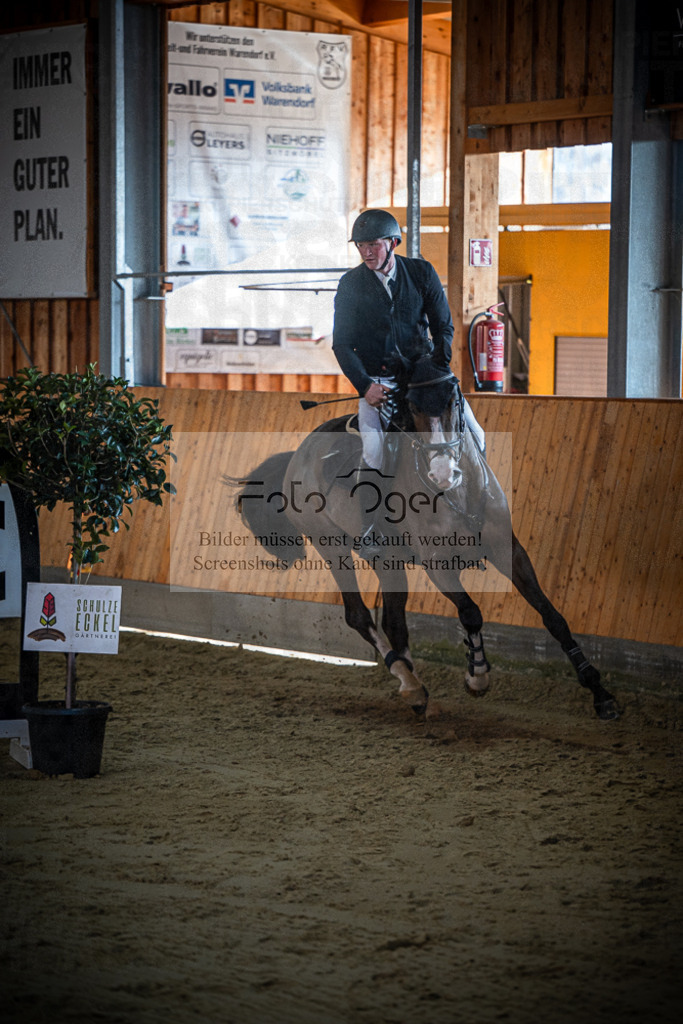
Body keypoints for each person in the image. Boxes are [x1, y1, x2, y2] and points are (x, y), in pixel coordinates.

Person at [332, 209, 485, 549]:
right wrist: (365, 386)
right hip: (380, 382)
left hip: (425, 377)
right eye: (361, 246)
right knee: (374, 451)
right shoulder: (351, 284)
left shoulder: (420, 273)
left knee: (477, 432)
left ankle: (481, 507)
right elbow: (341, 344)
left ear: (393, 242)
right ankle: (371, 528)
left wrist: (438, 367)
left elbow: (443, 325)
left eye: (373, 244)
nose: (366, 252)